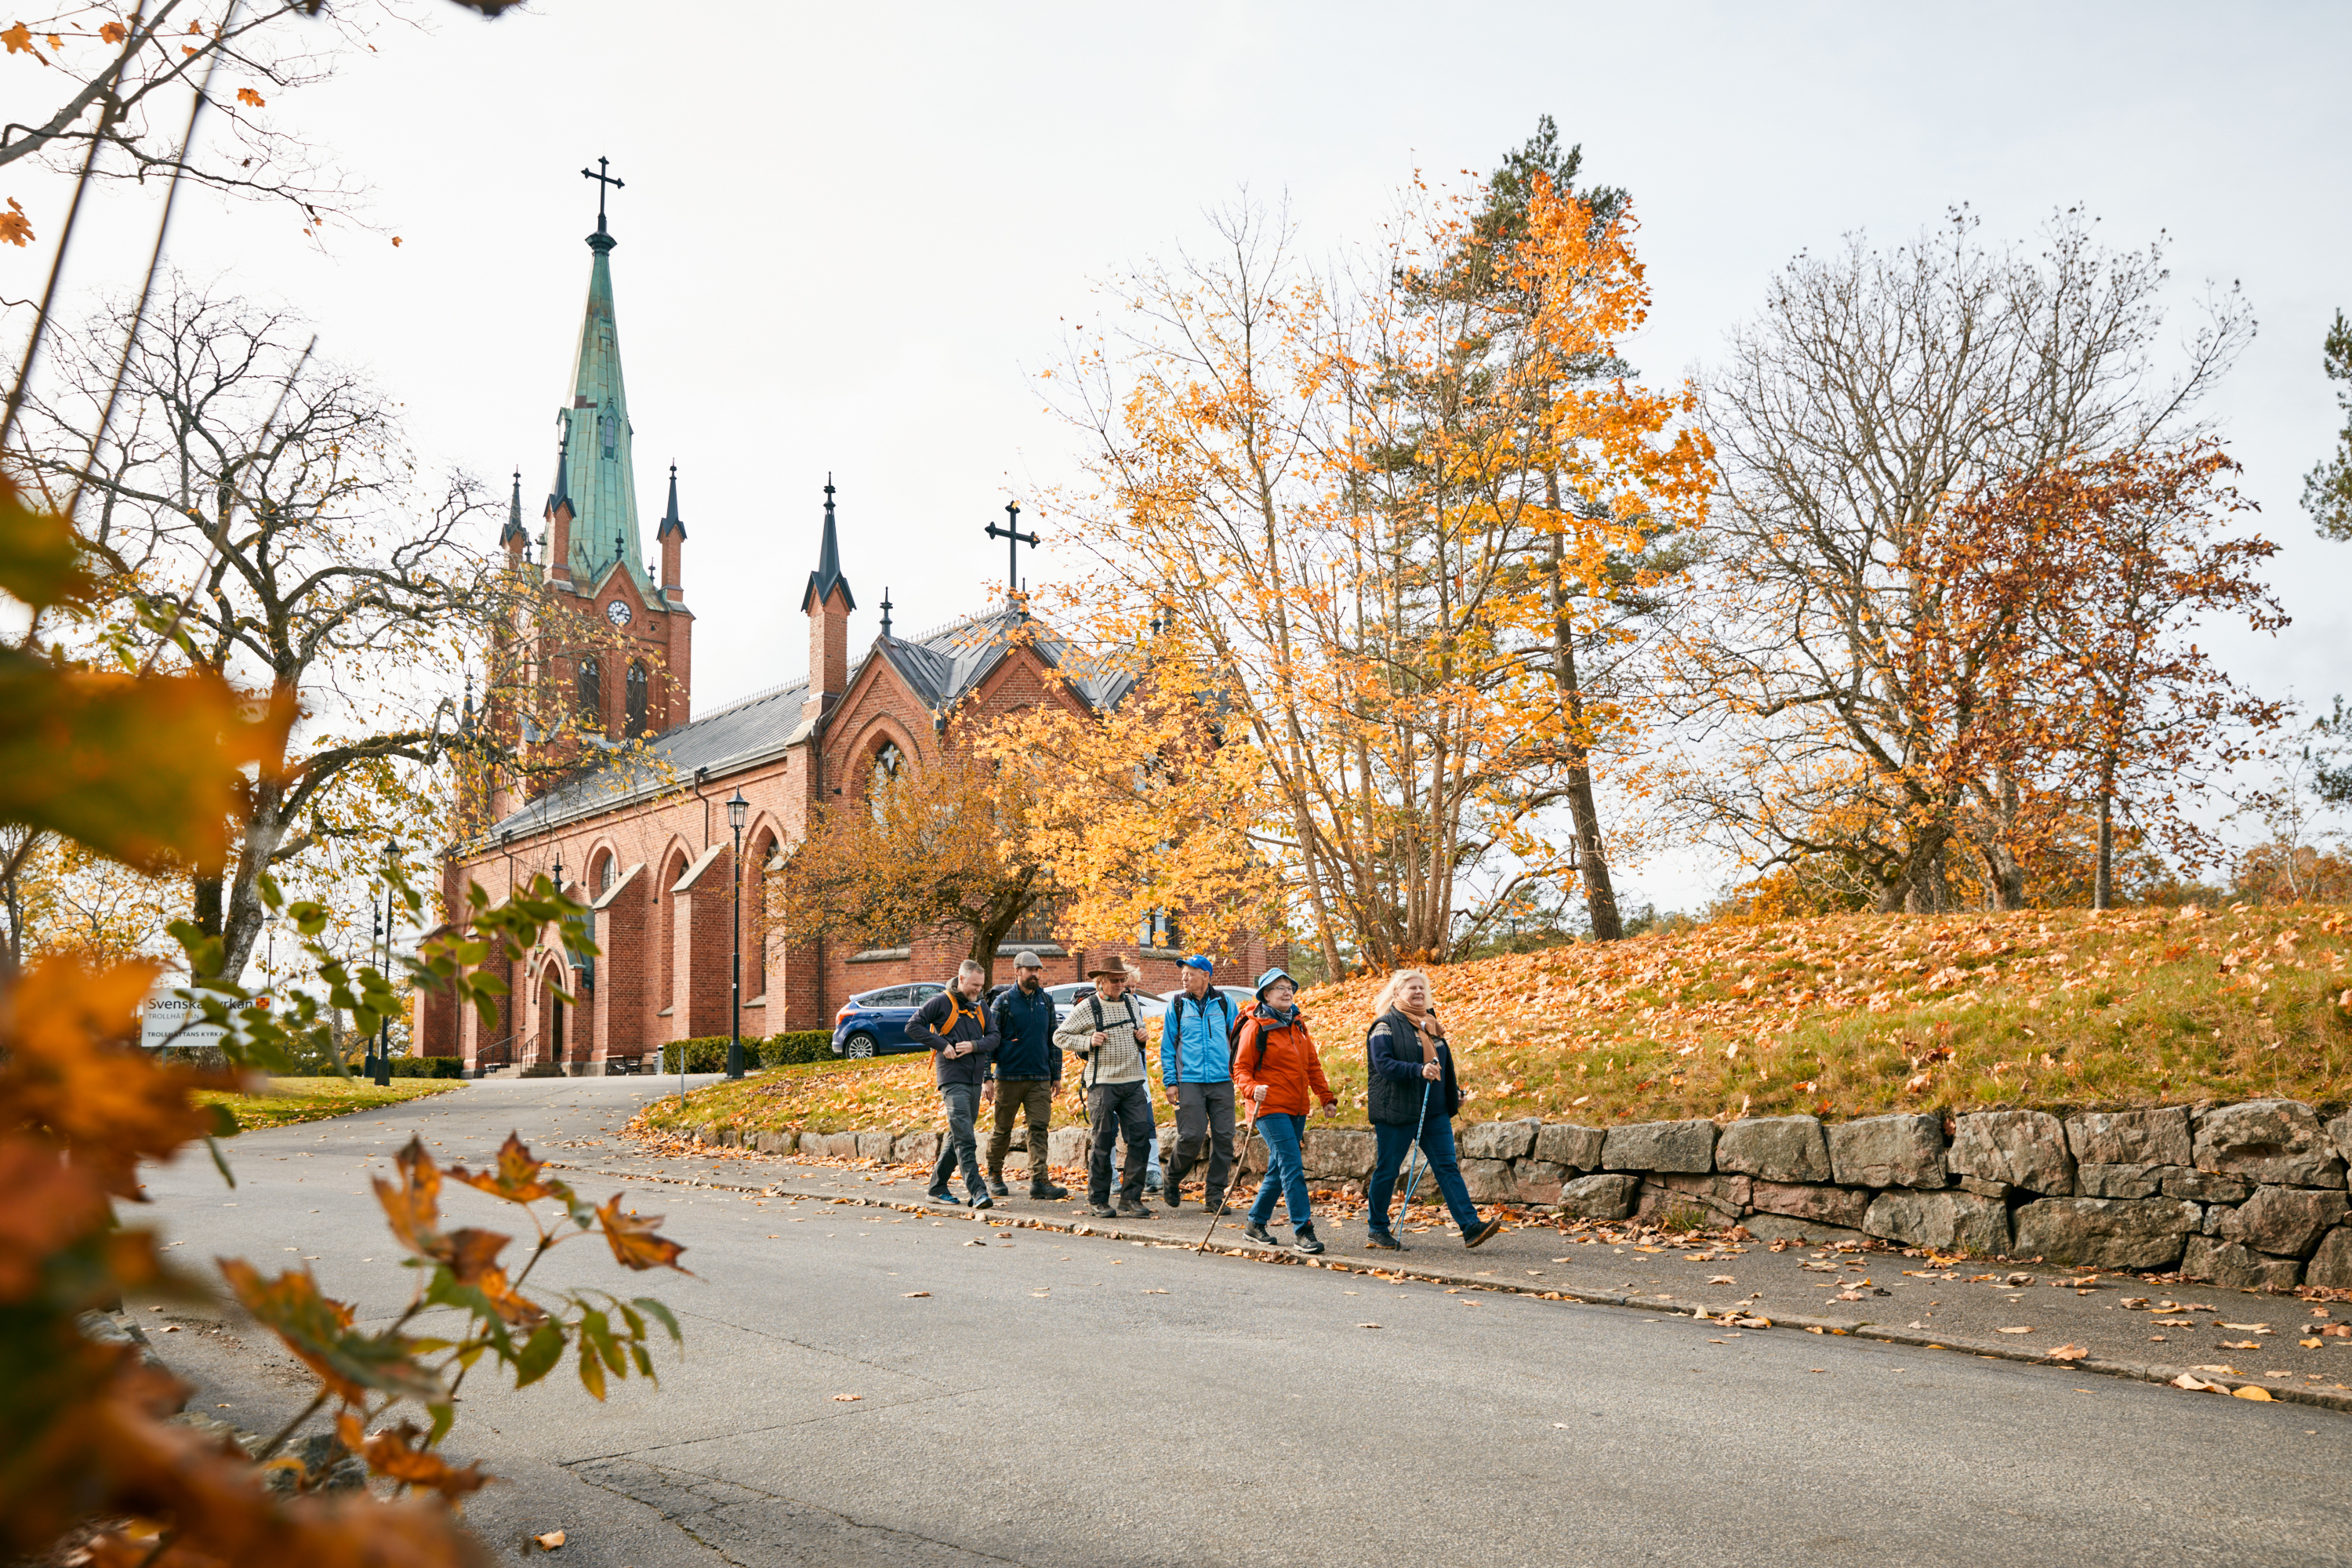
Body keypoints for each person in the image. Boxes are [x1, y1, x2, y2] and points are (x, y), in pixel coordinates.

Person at [1362, 968, 1502, 1250]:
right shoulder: (1384, 1025)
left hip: (1434, 1112)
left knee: (1447, 1167)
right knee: (1388, 1170)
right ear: (1397, 993)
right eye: (1412, 988)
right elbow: (1383, 1064)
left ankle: (1470, 1227)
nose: (1418, 992)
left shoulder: (1432, 1025)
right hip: (1397, 1112)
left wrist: (1454, 1094)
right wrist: (1417, 1070)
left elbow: (1442, 1066)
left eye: (1422, 988)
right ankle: (1377, 1228)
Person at [1232, 967, 1337, 1254]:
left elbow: (1312, 1065)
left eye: (1289, 987)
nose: (1287, 991)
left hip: (1297, 1107)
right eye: (1279, 987)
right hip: (1268, 1107)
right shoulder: (1256, 1026)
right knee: (1292, 1166)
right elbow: (1240, 1069)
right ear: (1266, 994)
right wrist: (1253, 1089)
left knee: (1279, 1169)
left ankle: (1255, 1223)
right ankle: (1303, 1230)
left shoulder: (1298, 1025)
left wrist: (1326, 1098)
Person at [1054, 960, 1156, 1218]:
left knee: (1140, 1141)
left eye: (1123, 980)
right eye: (1115, 981)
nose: (1120, 985)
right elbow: (1060, 1036)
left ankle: (1130, 1199)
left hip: (1133, 1081)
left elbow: (1137, 1035)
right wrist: (1088, 1041)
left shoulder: (1132, 1002)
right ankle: (1098, 1200)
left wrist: (1142, 1037)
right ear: (1101, 981)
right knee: (1103, 1142)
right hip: (1102, 1083)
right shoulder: (1087, 1006)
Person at [907, 959, 1000, 1209]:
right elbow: (912, 1026)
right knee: (966, 1138)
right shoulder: (941, 1001)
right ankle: (978, 1192)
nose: (977, 990)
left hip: (974, 1079)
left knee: (957, 1136)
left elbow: (994, 1037)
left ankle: (937, 1188)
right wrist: (942, 1045)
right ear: (961, 980)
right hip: (951, 1078)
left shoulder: (981, 1006)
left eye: (981, 986)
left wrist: (975, 1046)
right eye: (973, 985)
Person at [986, 949, 1069, 1201]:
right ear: (1017, 971)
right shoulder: (1003, 1002)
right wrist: (986, 1078)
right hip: (1008, 1078)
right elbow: (988, 1042)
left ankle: (1040, 1181)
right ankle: (995, 1174)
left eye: (1037, 970)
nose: (1035, 974)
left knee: (1039, 1128)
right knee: (1003, 1129)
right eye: (1030, 969)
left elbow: (1053, 1040)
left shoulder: (1046, 1001)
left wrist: (1056, 1075)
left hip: (1040, 1079)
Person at [1158, 955, 1238, 1213]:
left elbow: (1239, 1042)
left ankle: (1214, 1195)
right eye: (1183, 973)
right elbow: (1168, 1046)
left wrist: (1240, 1073)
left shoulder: (1224, 1003)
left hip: (1222, 1081)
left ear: (1206, 975)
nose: (1184, 977)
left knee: (1225, 1138)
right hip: (1189, 1081)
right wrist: (1170, 1082)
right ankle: (1171, 1176)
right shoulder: (1178, 1004)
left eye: (1190, 973)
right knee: (1191, 1136)